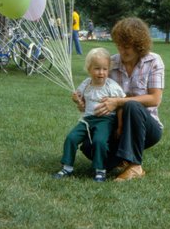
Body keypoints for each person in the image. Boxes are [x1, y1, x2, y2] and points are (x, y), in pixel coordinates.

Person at [78, 17, 165, 182]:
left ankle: (135, 165)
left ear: (139, 45)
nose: (122, 51)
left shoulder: (154, 61)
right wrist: (84, 102)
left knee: (132, 104)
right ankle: (122, 159)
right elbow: (97, 93)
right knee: (89, 148)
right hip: (116, 126)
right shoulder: (111, 63)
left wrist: (118, 102)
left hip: (147, 128)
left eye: (127, 47)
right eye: (118, 45)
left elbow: (155, 99)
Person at [52, 47, 126, 182]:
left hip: (105, 120)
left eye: (105, 69)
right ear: (89, 69)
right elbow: (78, 97)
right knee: (71, 138)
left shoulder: (112, 86)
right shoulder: (86, 84)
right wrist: (76, 100)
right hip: (86, 120)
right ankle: (67, 167)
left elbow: (121, 104)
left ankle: (100, 170)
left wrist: (120, 125)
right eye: (97, 68)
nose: (101, 72)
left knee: (99, 141)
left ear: (108, 69)